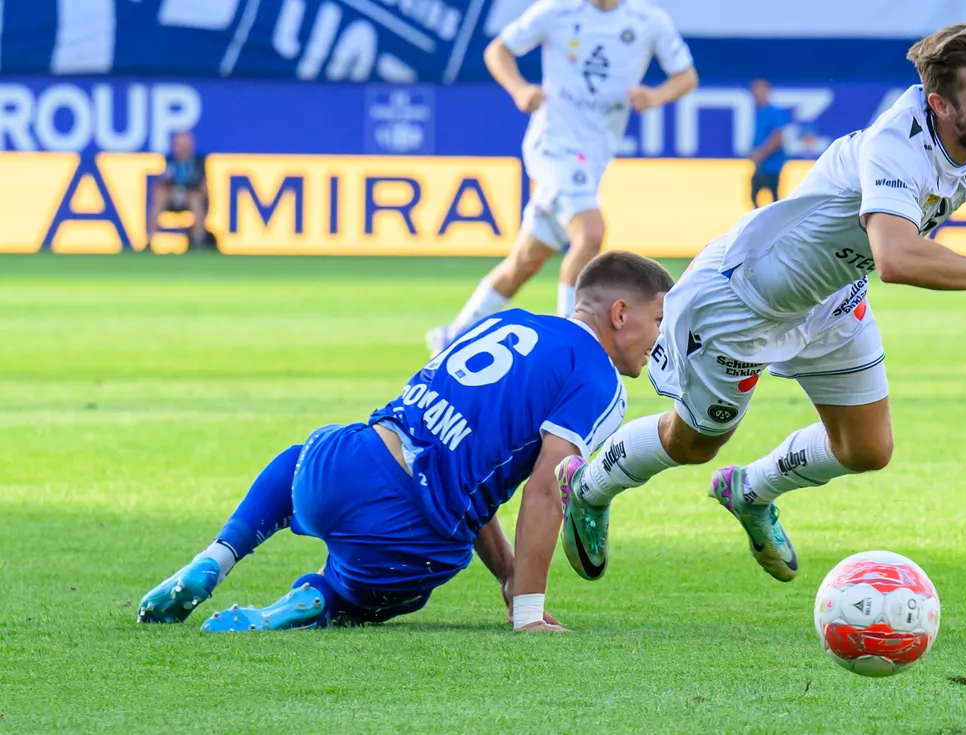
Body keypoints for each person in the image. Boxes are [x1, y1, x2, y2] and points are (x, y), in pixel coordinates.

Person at [553, 21, 966, 585]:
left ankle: (752, 490)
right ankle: (588, 487)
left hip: (830, 301)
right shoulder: (894, 143)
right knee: (692, 441)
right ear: (941, 104)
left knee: (868, 449)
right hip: (742, 303)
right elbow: (897, 257)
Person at [138, 252, 674, 632]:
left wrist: (509, 573)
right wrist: (529, 607)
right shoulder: (599, 381)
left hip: (340, 466)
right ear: (620, 314)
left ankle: (217, 556)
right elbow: (545, 491)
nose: (660, 339)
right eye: (658, 320)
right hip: (401, 539)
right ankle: (314, 600)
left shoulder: (507, 320)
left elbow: (459, 454)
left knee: (306, 453)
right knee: (394, 582)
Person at [427, 0, 698, 355]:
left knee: (525, 261)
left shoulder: (648, 20)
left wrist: (655, 95)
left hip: (594, 154)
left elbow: (686, 77)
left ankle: (453, 335)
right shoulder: (556, 10)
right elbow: (498, 51)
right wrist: (520, 90)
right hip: (552, 145)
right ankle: (568, 344)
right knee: (591, 232)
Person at [147, 130, 209, 250]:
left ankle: (198, 240)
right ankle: (150, 240)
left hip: (191, 195)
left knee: (195, 198)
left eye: (185, 144)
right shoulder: (170, 161)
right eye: (179, 144)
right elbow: (162, 181)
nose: (182, 148)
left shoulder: (198, 162)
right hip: (172, 195)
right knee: (160, 195)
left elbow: (202, 184)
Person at [749, 79, 790, 208]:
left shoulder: (774, 112)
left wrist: (761, 153)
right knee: (755, 195)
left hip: (772, 165)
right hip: (762, 165)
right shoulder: (760, 112)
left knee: (772, 198)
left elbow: (778, 137)